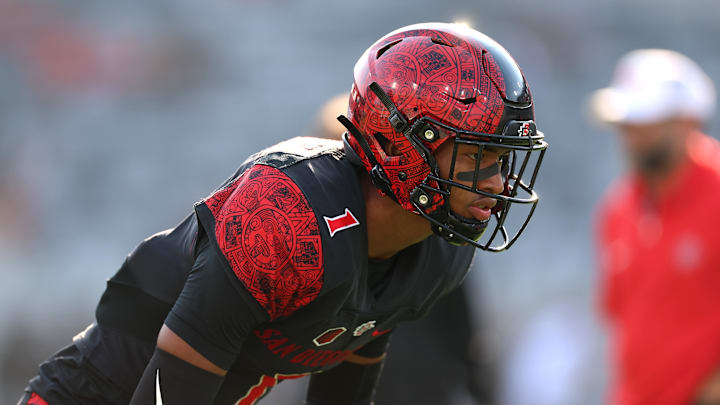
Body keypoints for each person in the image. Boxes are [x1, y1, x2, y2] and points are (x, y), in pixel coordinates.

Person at [18, 22, 547, 405]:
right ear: (405, 144)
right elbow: (170, 385)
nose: (498, 184)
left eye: (501, 160)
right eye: (479, 157)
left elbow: (348, 379)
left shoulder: (435, 255)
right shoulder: (286, 216)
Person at [590, 49, 720, 405]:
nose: (633, 135)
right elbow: (619, 317)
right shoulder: (616, 209)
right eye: (628, 124)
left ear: (686, 121)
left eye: (647, 122)